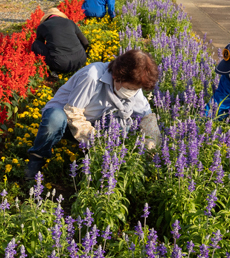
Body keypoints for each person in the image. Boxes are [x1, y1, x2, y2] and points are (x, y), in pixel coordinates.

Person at [24, 49, 160, 180]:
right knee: (55, 118)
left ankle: (97, 162)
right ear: (116, 77)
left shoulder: (133, 85)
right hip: (65, 118)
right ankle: (38, 156)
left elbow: (147, 118)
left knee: (121, 126)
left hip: (94, 122)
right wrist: (97, 141)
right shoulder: (92, 76)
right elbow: (73, 113)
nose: (132, 92)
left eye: (136, 89)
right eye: (130, 88)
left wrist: (151, 147)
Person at [31, 7, 89, 75]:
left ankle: (49, 71)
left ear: (46, 18)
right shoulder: (70, 22)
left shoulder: (43, 26)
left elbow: (40, 45)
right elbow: (85, 42)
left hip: (61, 64)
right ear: (60, 15)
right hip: (81, 60)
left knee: (36, 43)